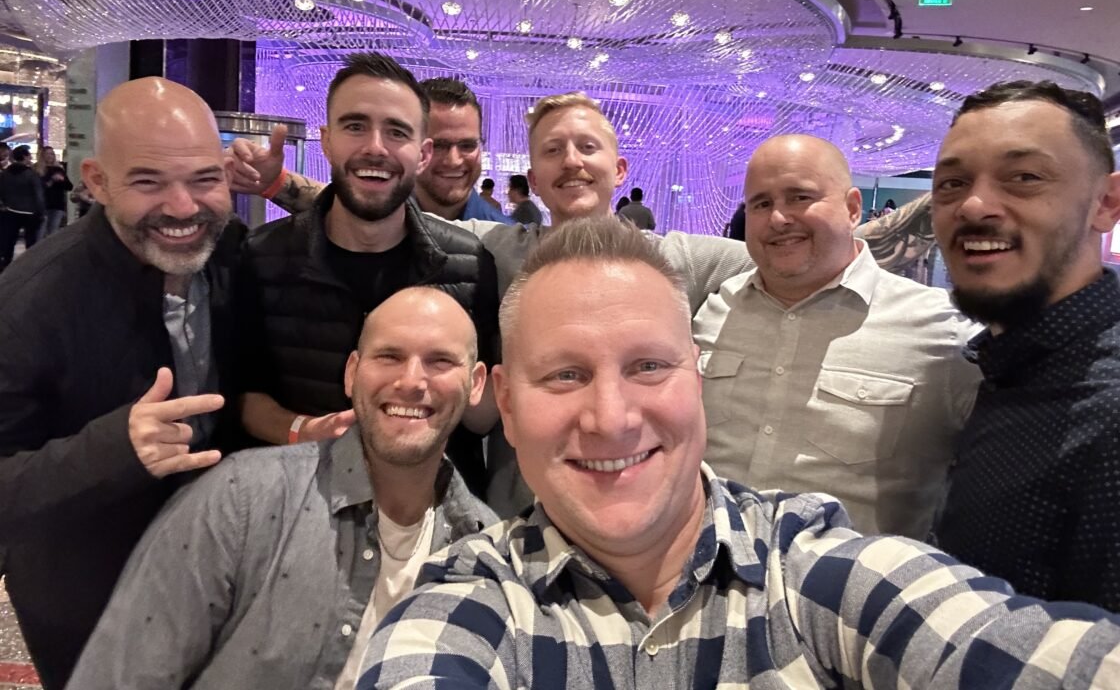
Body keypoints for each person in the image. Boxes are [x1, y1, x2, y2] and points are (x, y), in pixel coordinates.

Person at [358, 216, 1120, 690]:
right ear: (510, 411)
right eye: (565, 375)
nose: (612, 418)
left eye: (649, 366)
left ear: (700, 378)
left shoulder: (815, 573)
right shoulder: (467, 601)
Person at [233, 91, 940, 515]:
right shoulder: (500, 247)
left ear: (618, 167)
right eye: (553, 151)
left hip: (638, 497)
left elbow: (792, 251)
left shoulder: (685, 262)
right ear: (533, 174)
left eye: (587, 147)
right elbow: (396, 222)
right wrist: (283, 188)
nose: (572, 161)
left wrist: (869, 224)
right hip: (521, 505)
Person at [68, 288, 497, 690]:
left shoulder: (485, 553)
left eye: (440, 361)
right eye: (389, 356)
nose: (412, 380)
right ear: (352, 373)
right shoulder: (241, 501)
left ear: (476, 384)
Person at [0, 77, 242, 689]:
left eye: (204, 179)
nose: (184, 207)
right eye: (148, 181)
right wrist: (113, 450)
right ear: (97, 181)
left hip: (216, 577)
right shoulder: (30, 304)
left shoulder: (230, 254)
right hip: (91, 605)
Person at [235, 52, 498, 497]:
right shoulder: (262, 257)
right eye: (355, 126)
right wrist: (302, 431)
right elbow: (241, 393)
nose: (375, 147)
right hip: (300, 503)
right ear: (327, 140)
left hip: (435, 517)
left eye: (396, 132)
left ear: (421, 153)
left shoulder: (469, 263)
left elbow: (481, 410)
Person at [692, 135, 978, 538]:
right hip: (704, 581)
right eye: (761, 203)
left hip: (849, 593)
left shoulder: (940, 329)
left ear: (852, 208)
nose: (778, 218)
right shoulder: (715, 307)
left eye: (799, 197)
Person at [929, 80, 1120, 610]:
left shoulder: (1107, 412)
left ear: (1106, 203)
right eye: (951, 183)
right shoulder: (1006, 364)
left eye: (1024, 178)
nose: (974, 205)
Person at [228, 77, 510, 224]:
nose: (454, 160)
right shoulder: (382, 210)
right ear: (419, 150)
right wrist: (274, 182)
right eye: (440, 145)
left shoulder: (503, 241)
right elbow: (336, 204)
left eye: (468, 145)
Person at [0, 144, 45, 268]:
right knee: (30, 241)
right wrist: (41, 212)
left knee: (10, 240)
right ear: (25, 157)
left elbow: (2, 190)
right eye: (29, 156)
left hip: (11, 210)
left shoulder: (6, 173)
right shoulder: (31, 174)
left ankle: (5, 263)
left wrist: (6, 203)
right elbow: (38, 195)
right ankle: (30, 265)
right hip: (30, 212)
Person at [36, 145, 72, 238]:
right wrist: (51, 180)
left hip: (57, 205)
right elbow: (39, 187)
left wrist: (62, 180)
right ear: (42, 156)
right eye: (47, 154)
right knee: (40, 232)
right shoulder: (37, 170)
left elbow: (69, 186)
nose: (50, 156)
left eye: (52, 154)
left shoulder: (59, 169)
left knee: (53, 232)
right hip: (43, 205)